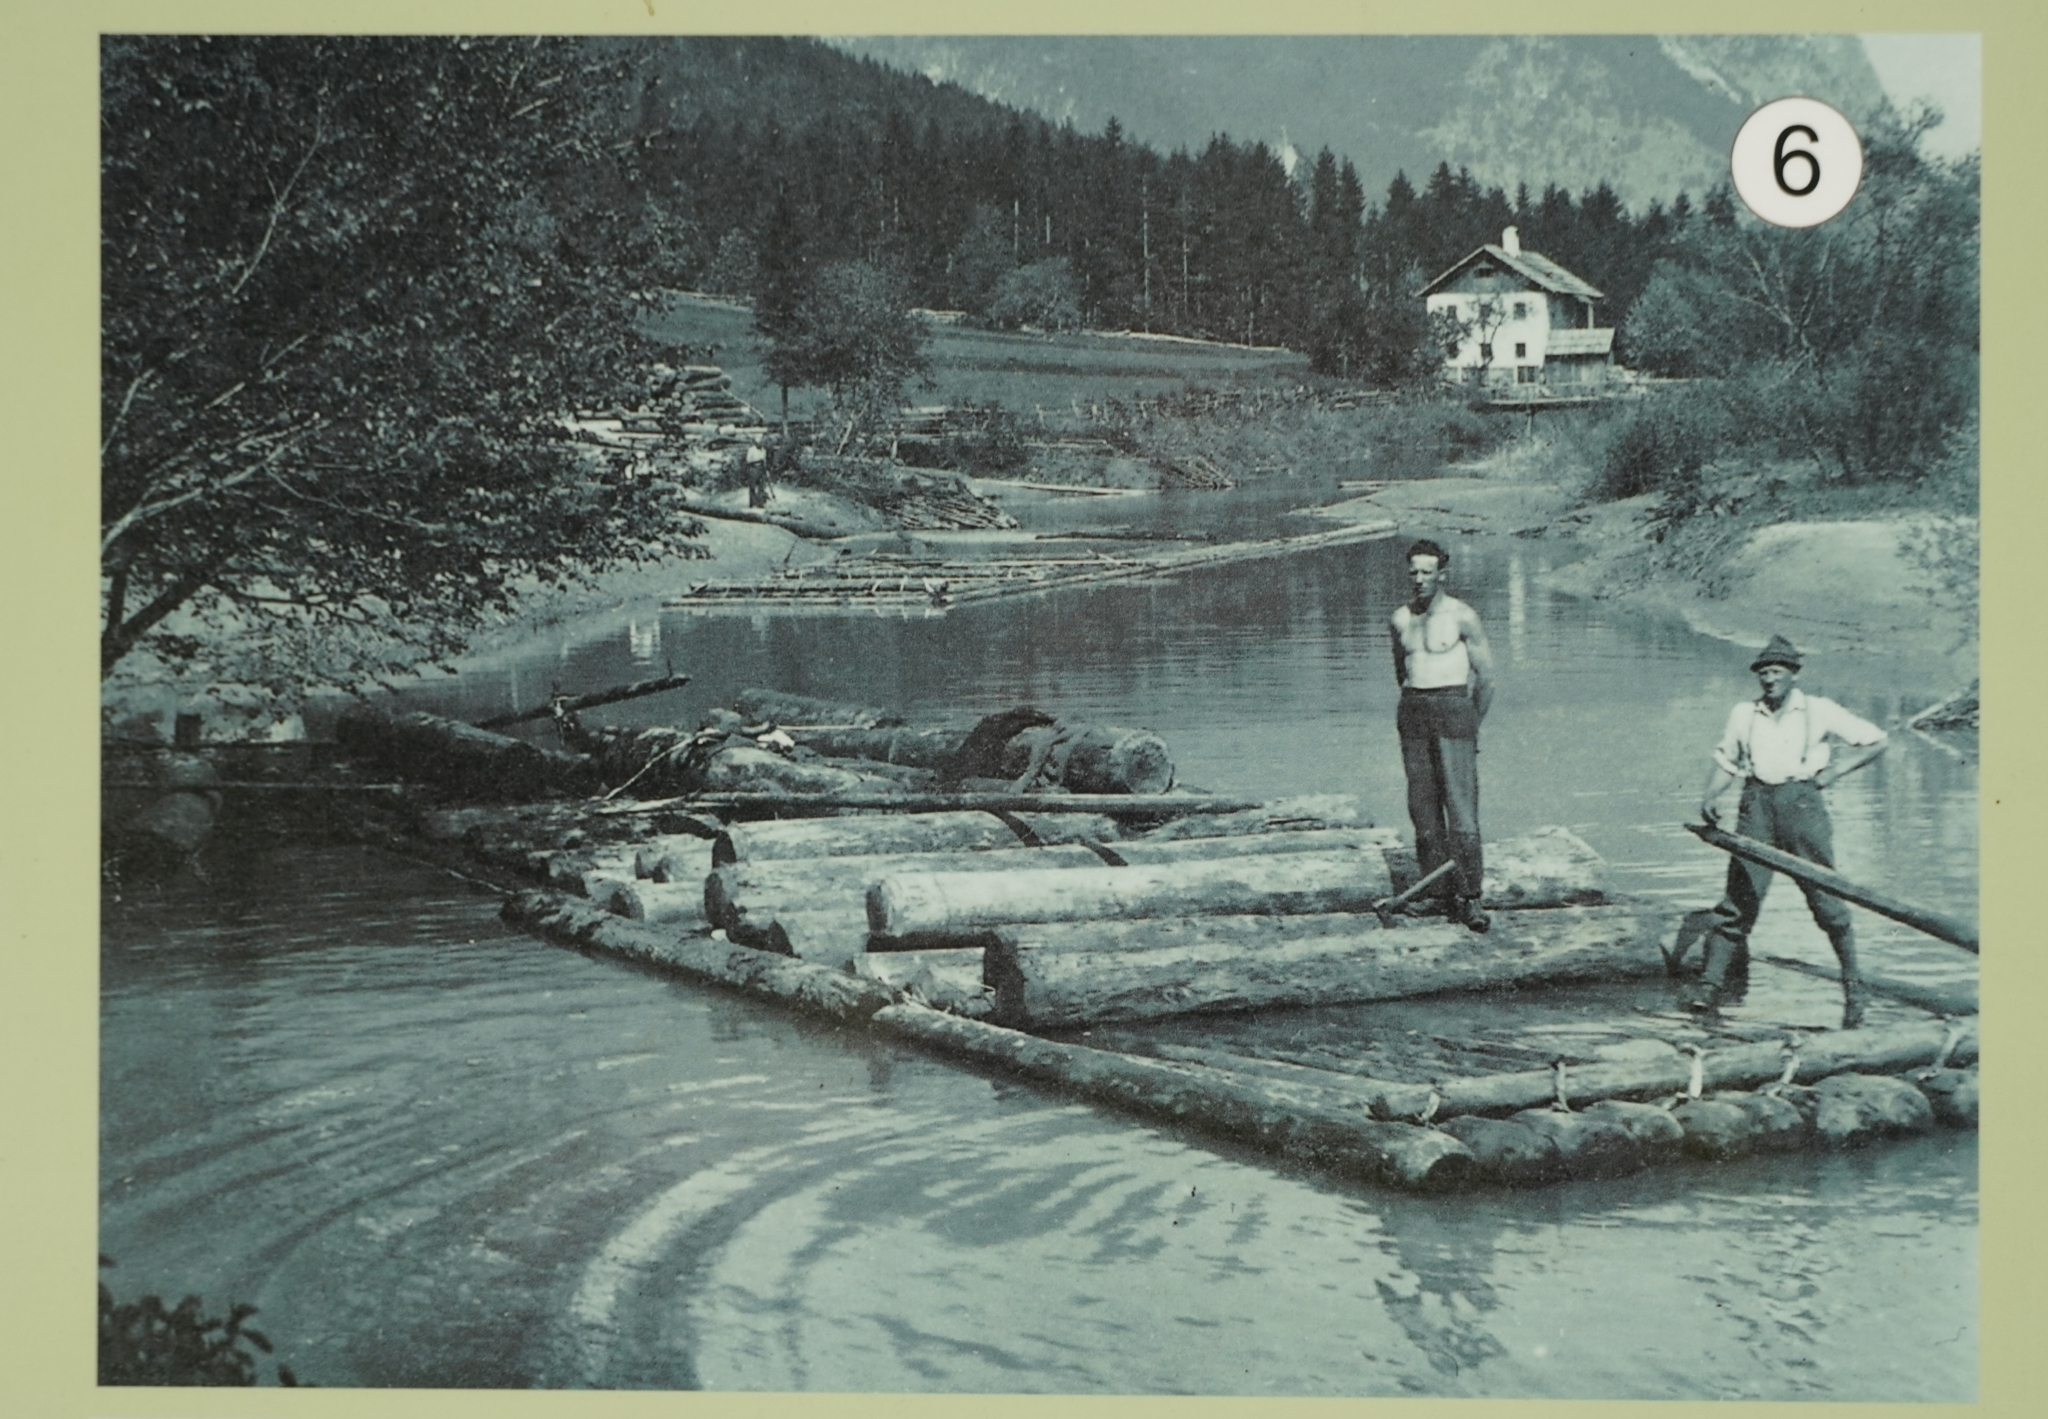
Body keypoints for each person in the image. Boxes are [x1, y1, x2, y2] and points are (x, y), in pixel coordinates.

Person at [1693, 634, 1888, 1028]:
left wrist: (1832, 773)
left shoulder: (1818, 710)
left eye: (1777, 672)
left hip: (1803, 807)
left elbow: (1876, 741)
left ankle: (1853, 985)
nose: (1769, 680)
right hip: (1756, 808)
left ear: (1793, 674)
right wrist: (1711, 795)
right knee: (1739, 900)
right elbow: (1727, 761)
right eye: (1763, 673)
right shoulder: (1743, 714)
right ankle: (1709, 988)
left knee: (1826, 899)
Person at [1389, 539, 1495, 931]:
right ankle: (1436, 893)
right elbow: (1401, 671)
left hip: (1454, 710)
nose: (1419, 580)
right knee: (1423, 807)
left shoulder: (1462, 616)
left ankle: (1471, 898)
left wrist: (1470, 725)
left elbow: (1486, 679)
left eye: (1427, 572)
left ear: (1442, 575)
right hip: (1414, 711)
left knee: (1462, 808)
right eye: (1413, 572)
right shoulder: (1399, 619)